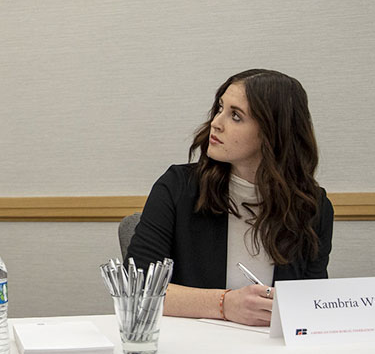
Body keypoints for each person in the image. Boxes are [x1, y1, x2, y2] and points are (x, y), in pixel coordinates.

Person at [126, 69, 333, 327]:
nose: (216, 122)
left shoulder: (312, 207)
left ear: (272, 133)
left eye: (236, 116)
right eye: (220, 108)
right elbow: (137, 290)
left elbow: (311, 303)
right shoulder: (178, 187)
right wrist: (225, 305)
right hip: (193, 341)